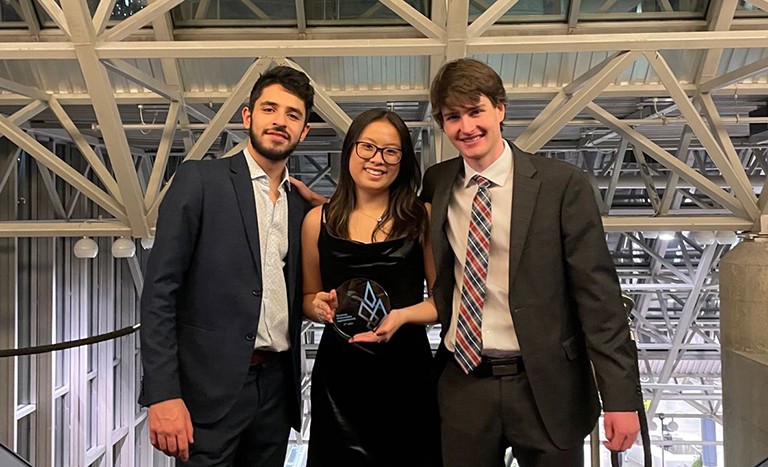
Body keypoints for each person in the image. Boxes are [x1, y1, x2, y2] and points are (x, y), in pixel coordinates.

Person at [420, 58, 643, 466]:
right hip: (464, 382)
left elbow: (599, 298)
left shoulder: (561, 185)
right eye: (453, 117)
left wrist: (620, 398)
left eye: (476, 111)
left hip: (547, 387)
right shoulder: (437, 182)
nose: (466, 127)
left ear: (500, 109)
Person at [139, 65, 315, 467]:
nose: (280, 121)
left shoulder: (300, 205)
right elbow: (159, 293)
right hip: (207, 392)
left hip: (275, 391)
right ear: (248, 116)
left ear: (303, 132)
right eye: (270, 109)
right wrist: (163, 394)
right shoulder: (200, 180)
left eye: (293, 115)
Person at [301, 109, 441, 467]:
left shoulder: (420, 217)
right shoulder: (317, 221)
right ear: (349, 150)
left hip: (406, 374)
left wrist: (401, 317)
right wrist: (317, 307)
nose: (377, 159)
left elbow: (442, 301)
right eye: (367, 147)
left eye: (391, 151)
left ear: (403, 160)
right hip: (340, 378)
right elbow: (307, 297)